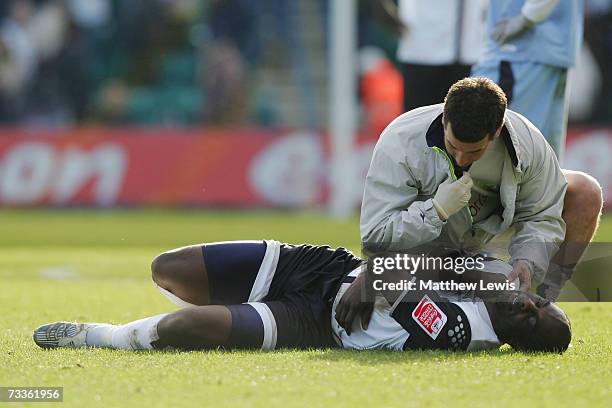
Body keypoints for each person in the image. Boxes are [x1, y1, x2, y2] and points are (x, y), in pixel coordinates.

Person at [33, 240, 571, 353]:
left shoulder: (465, 333)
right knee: (167, 268)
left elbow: (396, 279)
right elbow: (425, 254)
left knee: (185, 330)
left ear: (513, 341)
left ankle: (94, 336)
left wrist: (385, 273)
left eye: (529, 323)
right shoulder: (504, 286)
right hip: (323, 266)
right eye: (540, 305)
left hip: (319, 322)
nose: (527, 307)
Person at [360, 77, 602, 300]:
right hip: (425, 253)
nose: (462, 159)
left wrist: (527, 261)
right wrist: (436, 211)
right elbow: (374, 237)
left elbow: (542, 216)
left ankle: (541, 304)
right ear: (445, 119)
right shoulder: (400, 142)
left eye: (475, 151)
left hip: (492, 235)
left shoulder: (529, 142)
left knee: (586, 192)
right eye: (453, 146)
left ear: (497, 132)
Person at [471, 0, 583, 160]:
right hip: (547, 46)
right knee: (544, 164)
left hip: (518, 49)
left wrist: (527, 17)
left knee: (490, 149)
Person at [372, 0, 488, 111]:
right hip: (423, 51)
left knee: (469, 125)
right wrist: (388, 17)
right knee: (419, 125)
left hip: (471, 52)